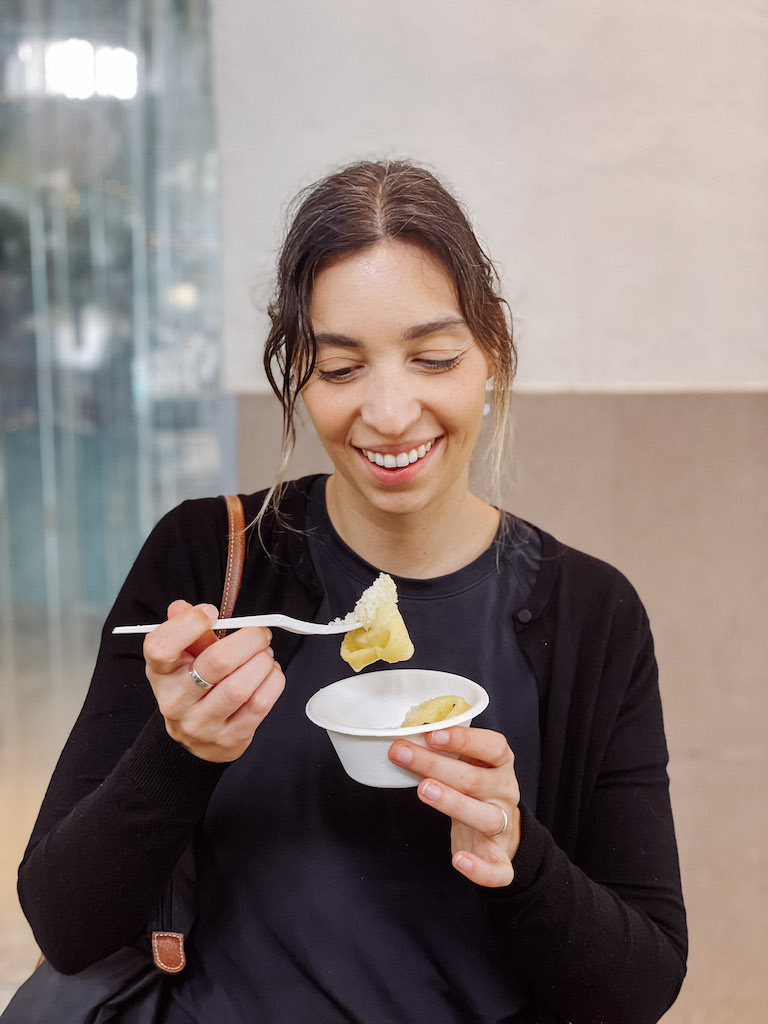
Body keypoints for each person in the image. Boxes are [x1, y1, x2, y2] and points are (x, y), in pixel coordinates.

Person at [17, 160, 686, 1023]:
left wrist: (518, 860)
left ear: (493, 354)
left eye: (433, 357)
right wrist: (180, 750)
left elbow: (641, 986)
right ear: (297, 374)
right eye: (340, 369)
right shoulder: (206, 562)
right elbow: (64, 923)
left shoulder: (590, 613)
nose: (391, 411)